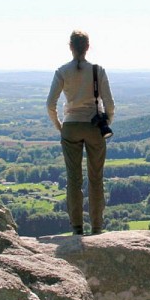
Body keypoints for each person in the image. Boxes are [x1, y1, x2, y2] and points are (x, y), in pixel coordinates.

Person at [46, 30, 115, 236]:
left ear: (70, 47)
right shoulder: (97, 71)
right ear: (87, 47)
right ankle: (97, 228)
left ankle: (77, 228)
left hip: (71, 126)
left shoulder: (62, 72)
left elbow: (50, 104)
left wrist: (60, 125)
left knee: (73, 180)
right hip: (94, 126)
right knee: (96, 178)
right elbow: (110, 104)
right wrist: (106, 122)